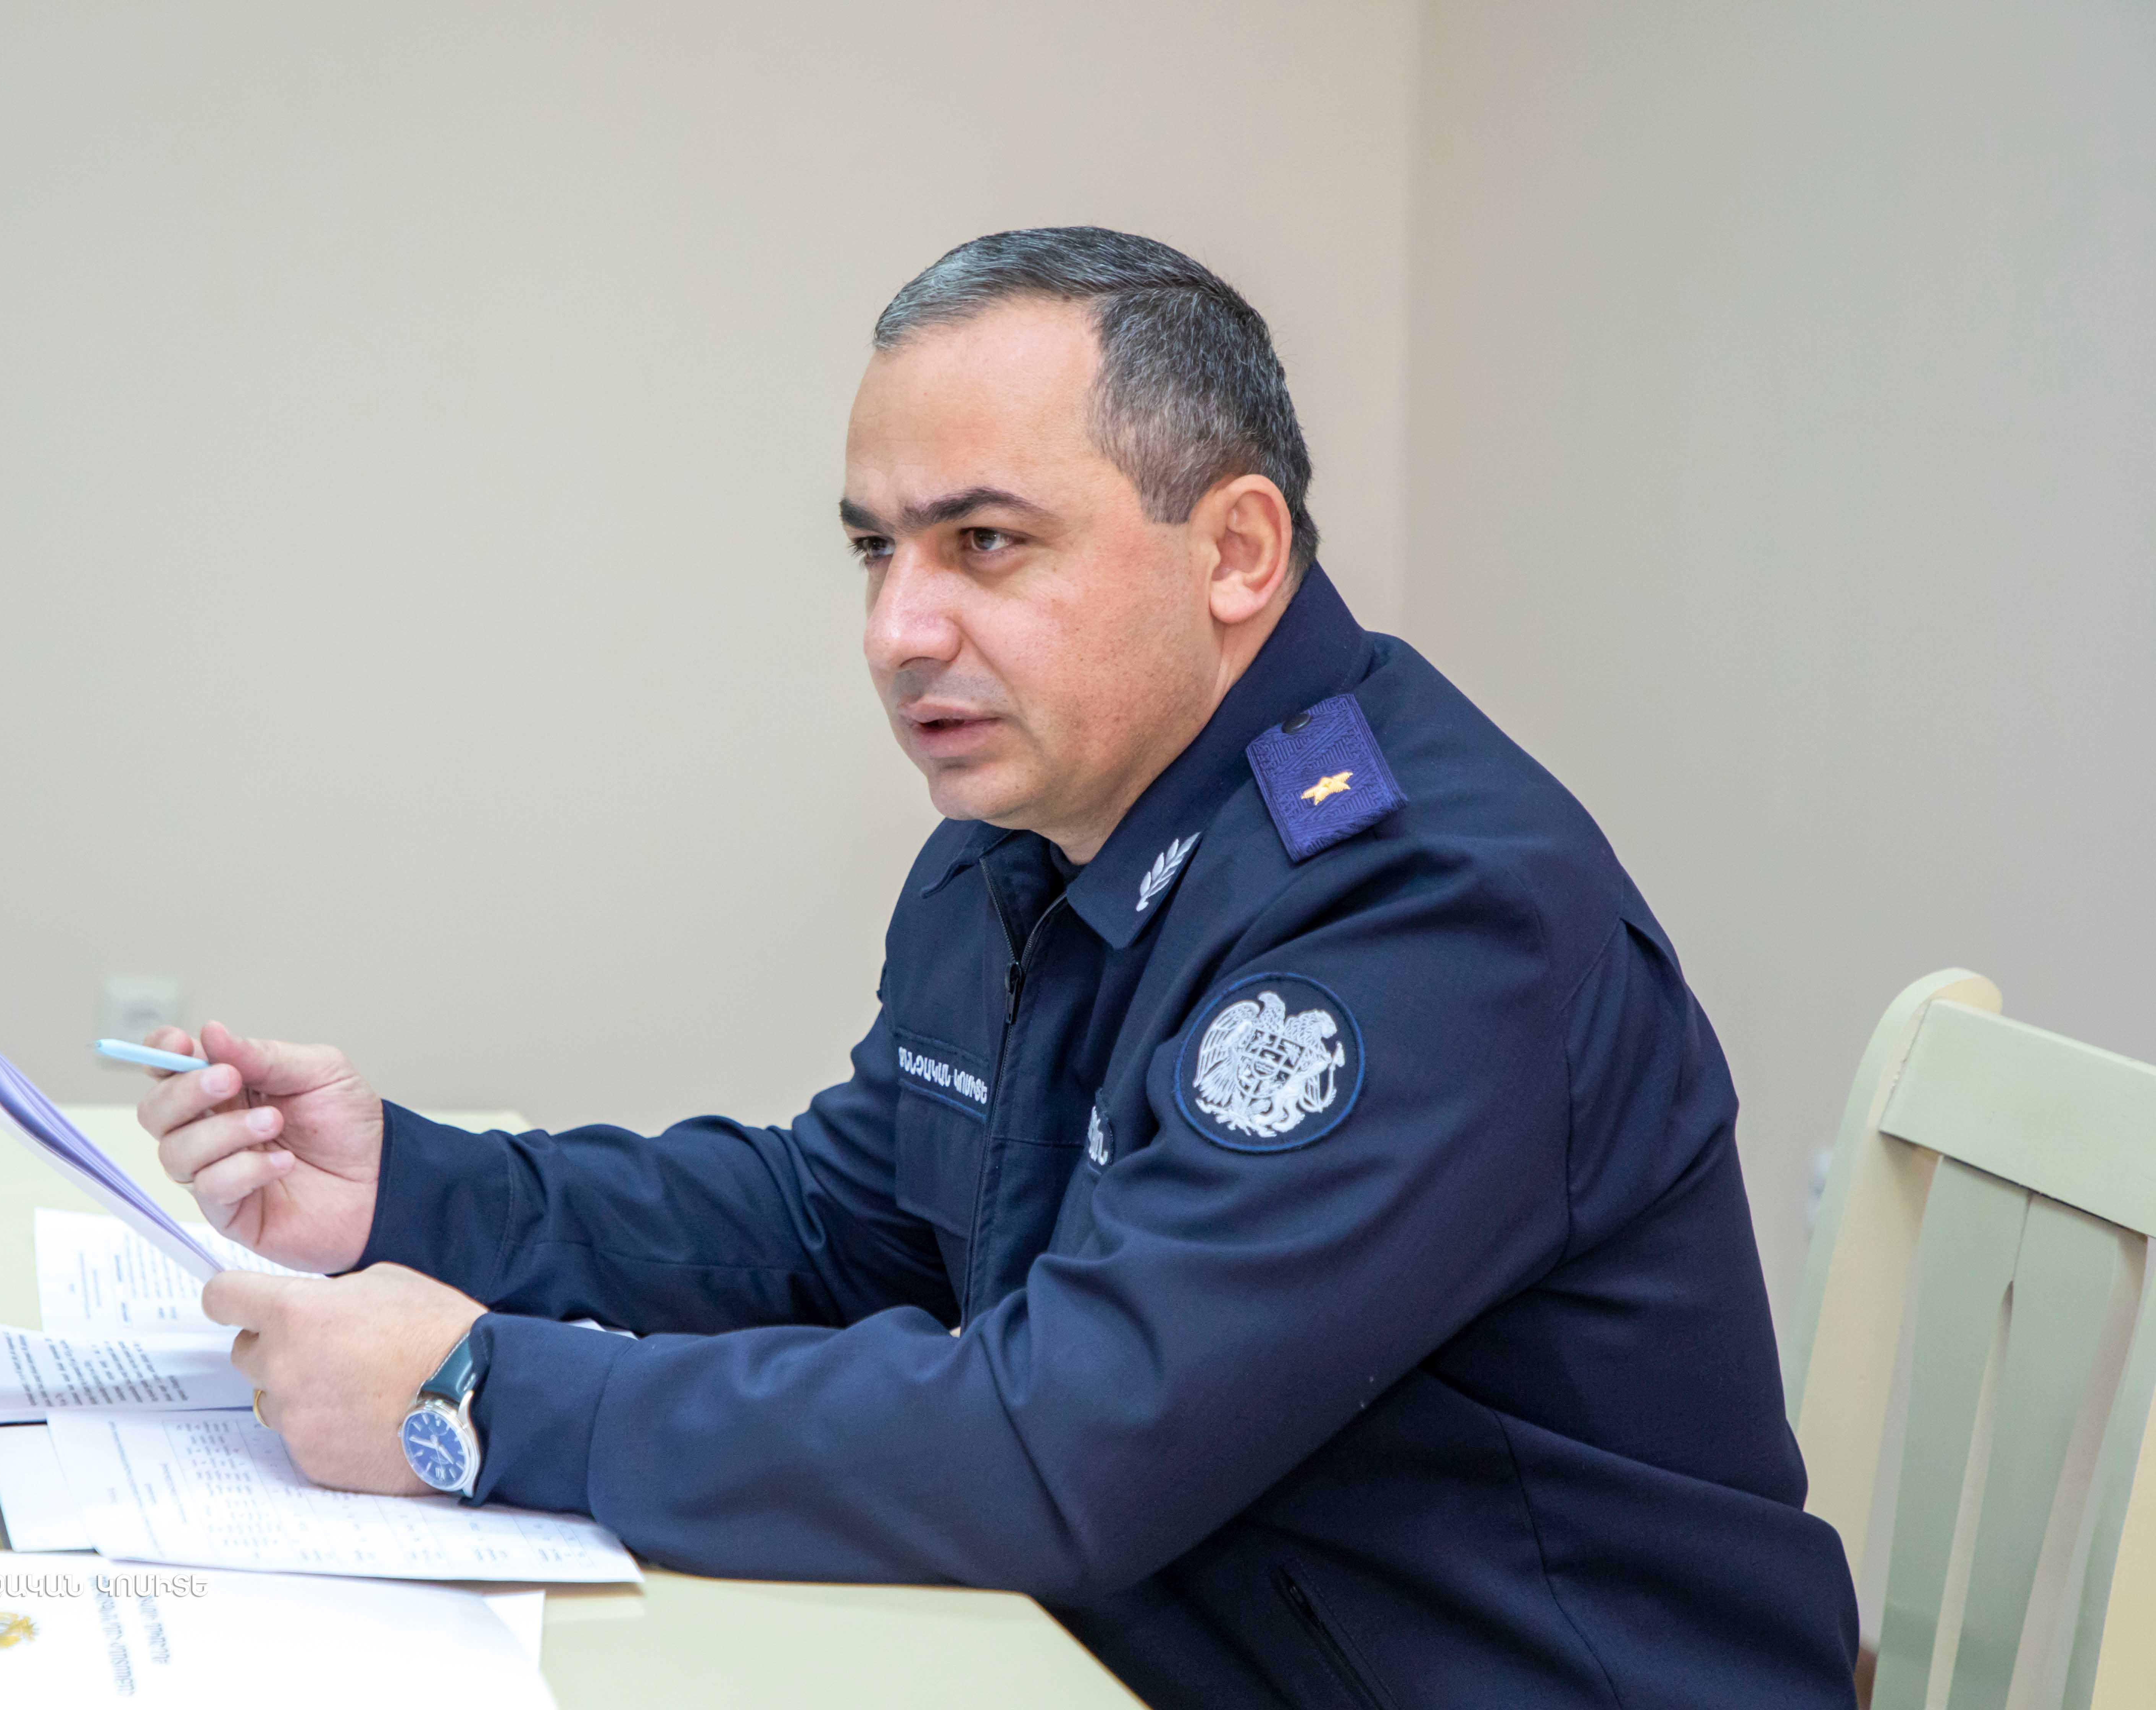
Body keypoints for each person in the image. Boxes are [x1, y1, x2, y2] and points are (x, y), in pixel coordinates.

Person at [139, 227, 1859, 1708]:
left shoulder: (1429, 908)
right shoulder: (1036, 830)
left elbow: (1070, 1441)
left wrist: (477, 1396)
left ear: (1237, 553)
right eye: (875, 548)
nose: (898, 628)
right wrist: (416, 1192)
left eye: (985, 543)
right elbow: (850, 1224)